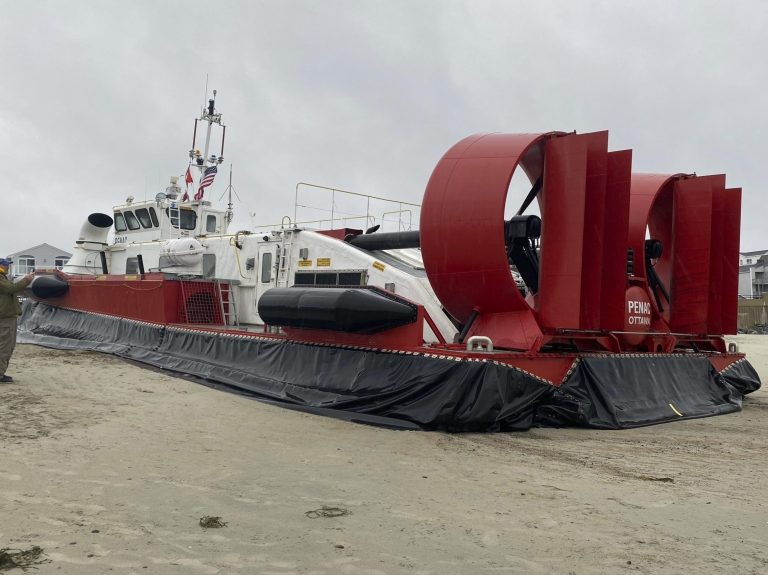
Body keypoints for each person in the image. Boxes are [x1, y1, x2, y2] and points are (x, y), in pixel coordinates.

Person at [0, 258, 34, 383]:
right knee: (5, 346)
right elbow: (10, 289)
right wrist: (27, 280)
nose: (8, 267)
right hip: (5, 318)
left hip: (6, 317)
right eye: (7, 265)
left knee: (7, 345)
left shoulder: (3, 277)